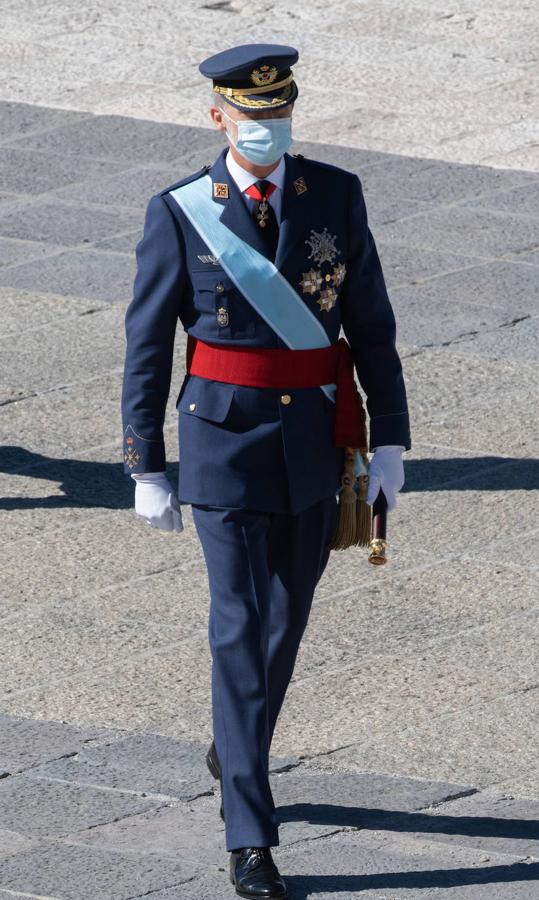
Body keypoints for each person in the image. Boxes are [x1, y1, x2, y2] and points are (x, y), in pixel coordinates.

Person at [120, 42, 411, 900]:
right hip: (222, 443)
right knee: (238, 628)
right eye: (250, 117)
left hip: (314, 443)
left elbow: (372, 321)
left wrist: (388, 439)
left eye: (278, 115)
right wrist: (146, 461)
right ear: (219, 118)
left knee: (287, 619)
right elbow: (146, 345)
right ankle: (251, 835)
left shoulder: (336, 195)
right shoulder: (180, 211)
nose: (266, 129)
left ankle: (231, 736)